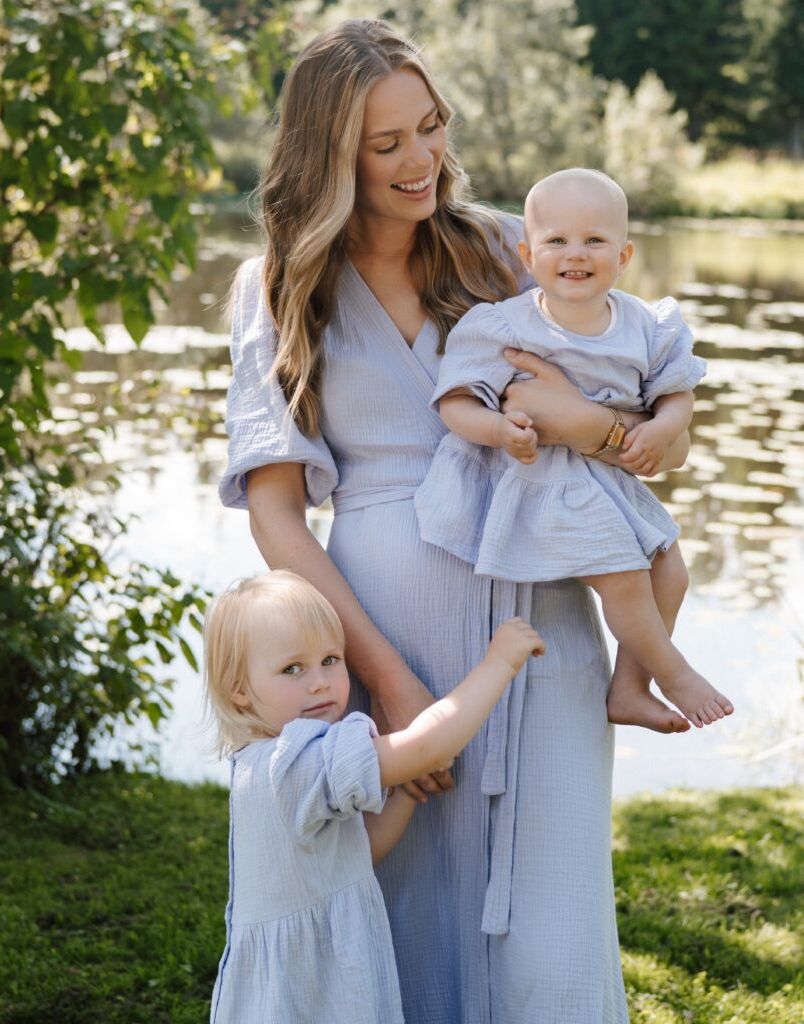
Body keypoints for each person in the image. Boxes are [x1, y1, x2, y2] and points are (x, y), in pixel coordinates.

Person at [219, 18, 688, 1022]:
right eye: (386, 143)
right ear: (329, 156)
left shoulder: (506, 250)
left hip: (542, 623)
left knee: (552, 939)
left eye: (431, 127)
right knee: (405, 923)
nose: (422, 159)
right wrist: (389, 684)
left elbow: (646, 405)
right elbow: (277, 514)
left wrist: (595, 428)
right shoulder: (276, 288)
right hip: (378, 631)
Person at [415, 168, 735, 733]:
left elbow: (677, 394)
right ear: (528, 254)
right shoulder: (505, 327)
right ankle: (677, 675)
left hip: (609, 482)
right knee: (624, 575)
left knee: (672, 574)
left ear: (624, 255)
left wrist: (663, 428)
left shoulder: (645, 324)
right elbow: (455, 403)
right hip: (542, 481)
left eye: (594, 240)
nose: (576, 254)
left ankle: (629, 688)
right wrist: (499, 429)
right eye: (557, 240)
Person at [205, 570, 544, 1024]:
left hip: (317, 982)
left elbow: (355, 853)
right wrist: (498, 664)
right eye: (292, 669)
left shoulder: (262, 762)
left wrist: (405, 791)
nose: (320, 682)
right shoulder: (294, 765)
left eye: (331, 659)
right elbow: (430, 746)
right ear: (239, 690)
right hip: (308, 993)